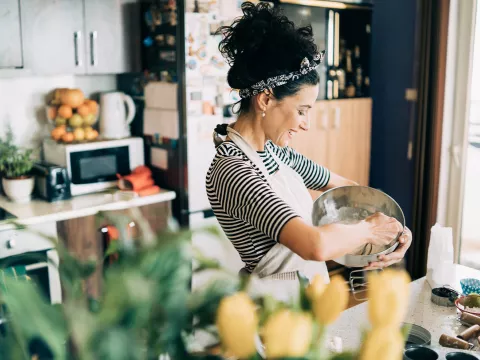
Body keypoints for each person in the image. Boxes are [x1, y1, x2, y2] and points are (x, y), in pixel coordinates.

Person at [206, 2, 412, 294]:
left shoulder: (276, 153)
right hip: (271, 310)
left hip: (306, 299)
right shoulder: (233, 170)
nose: (306, 124)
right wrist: (371, 230)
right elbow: (314, 245)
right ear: (265, 100)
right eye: (302, 110)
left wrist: (395, 231)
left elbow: (349, 193)